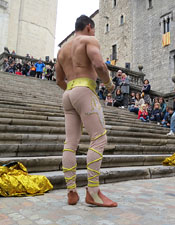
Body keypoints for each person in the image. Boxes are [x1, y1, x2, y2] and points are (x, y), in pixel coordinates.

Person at [55, 15, 117, 207]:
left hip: (68, 94)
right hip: (85, 89)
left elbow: (58, 80)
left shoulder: (62, 51)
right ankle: (93, 191)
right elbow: (99, 65)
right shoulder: (89, 40)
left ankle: (71, 192)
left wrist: (73, 92)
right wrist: (108, 84)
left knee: (70, 143)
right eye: (95, 30)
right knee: (99, 138)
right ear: (89, 27)